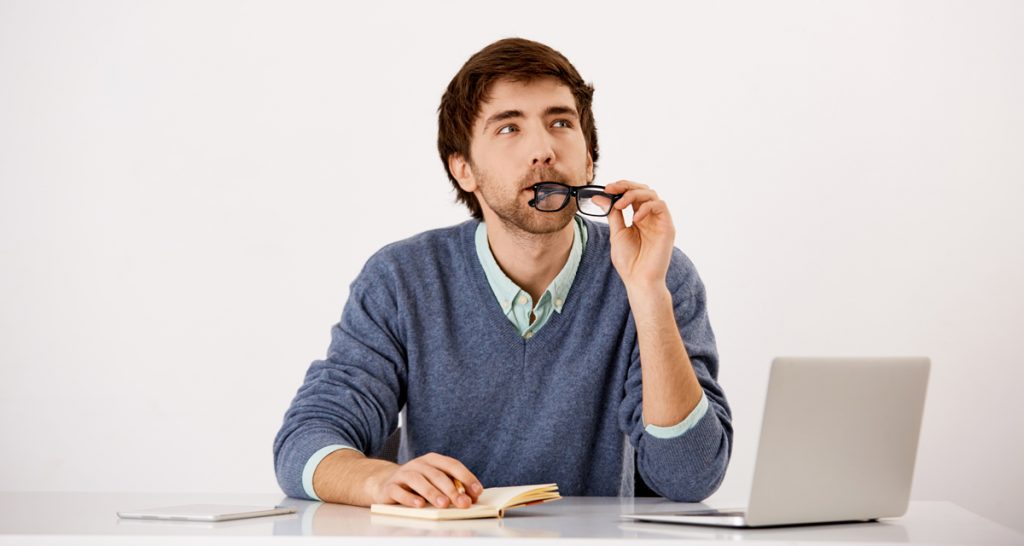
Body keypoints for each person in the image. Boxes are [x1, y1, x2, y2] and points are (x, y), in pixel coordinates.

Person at [273, 37, 732, 509]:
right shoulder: (401, 279)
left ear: (590, 159)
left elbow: (690, 477)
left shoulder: (657, 273)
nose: (543, 150)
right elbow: (302, 445)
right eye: (509, 129)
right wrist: (376, 481)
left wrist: (648, 295)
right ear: (464, 170)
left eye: (560, 123)